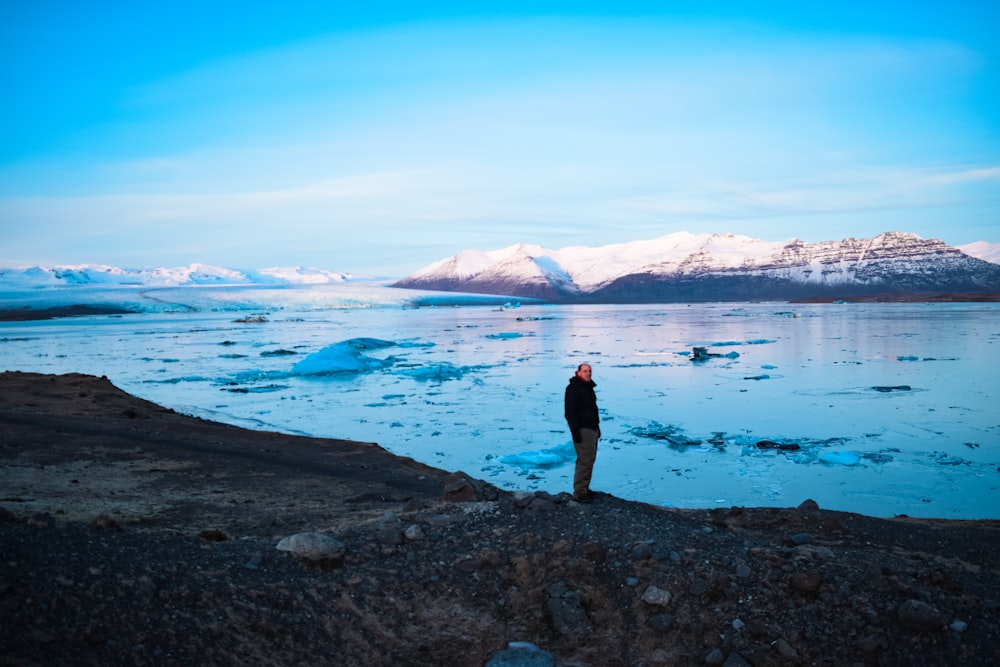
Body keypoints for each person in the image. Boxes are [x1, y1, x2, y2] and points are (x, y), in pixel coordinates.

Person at [564, 362, 600, 503]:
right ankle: (579, 493)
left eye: (589, 371)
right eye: (585, 371)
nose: (588, 373)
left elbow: (592, 410)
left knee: (589, 460)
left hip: (592, 429)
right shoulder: (573, 389)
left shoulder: (588, 388)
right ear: (577, 373)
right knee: (585, 461)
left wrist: (597, 428)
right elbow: (570, 412)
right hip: (583, 429)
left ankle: (584, 489)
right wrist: (575, 431)